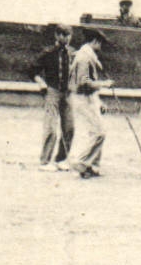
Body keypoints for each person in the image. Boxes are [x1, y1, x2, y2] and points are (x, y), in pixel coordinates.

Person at [64, 28, 112, 178]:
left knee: (97, 131)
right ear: (95, 41)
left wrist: (98, 100)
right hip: (82, 98)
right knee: (99, 132)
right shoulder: (84, 57)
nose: (101, 47)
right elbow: (83, 82)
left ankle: (91, 166)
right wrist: (104, 84)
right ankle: (82, 162)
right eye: (101, 44)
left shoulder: (86, 55)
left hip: (87, 98)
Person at [29, 24, 74, 169]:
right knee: (51, 127)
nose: (65, 38)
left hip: (67, 94)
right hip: (53, 92)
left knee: (69, 127)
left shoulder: (73, 53)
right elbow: (32, 70)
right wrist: (41, 83)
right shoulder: (48, 52)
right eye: (62, 34)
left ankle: (61, 159)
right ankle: (45, 161)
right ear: (56, 35)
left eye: (67, 35)